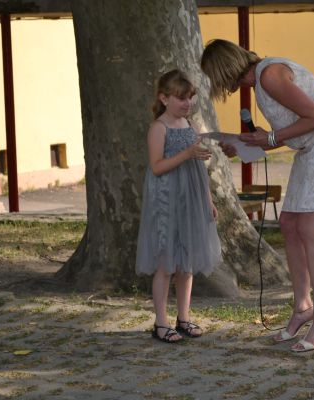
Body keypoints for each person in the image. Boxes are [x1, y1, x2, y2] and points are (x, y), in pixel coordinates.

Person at [201, 39, 314, 352]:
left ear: (224, 68)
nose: (218, 86)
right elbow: (297, 129)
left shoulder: (270, 75)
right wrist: (248, 143)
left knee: (308, 228)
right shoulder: (262, 81)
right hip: (313, 148)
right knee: (290, 224)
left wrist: (270, 138)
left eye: (215, 76)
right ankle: (303, 307)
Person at [135, 69, 222, 343]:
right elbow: (157, 167)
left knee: (187, 262)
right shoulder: (159, 128)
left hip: (191, 200)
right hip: (166, 200)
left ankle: (183, 318)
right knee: (166, 262)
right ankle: (161, 323)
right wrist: (187, 153)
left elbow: (199, 168)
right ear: (164, 99)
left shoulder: (191, 126)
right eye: (181, 98)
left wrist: (208, 200)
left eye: (190, 98)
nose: (187, 103)